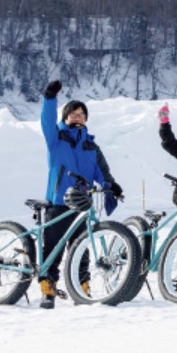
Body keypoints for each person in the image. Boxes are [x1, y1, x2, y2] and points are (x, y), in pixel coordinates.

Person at [37, 79, 124, 309]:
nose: (77, 117)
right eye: (73, 114)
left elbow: (103, 173)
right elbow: (46, 120)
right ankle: (48, 288)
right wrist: (49, 97)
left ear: (86, 119)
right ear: (65, 118)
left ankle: (82, 288)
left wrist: (111, 186)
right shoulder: (56, 139)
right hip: (58, 202)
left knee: (81, 248)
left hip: (82, 205)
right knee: (52, 249)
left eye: (81, 114)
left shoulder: (92, 147)